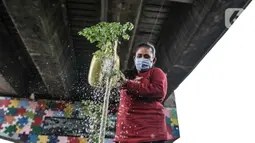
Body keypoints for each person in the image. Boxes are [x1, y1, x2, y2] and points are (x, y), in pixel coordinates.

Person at [113, 42, 171, 143]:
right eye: (139, 56)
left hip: (150, 134)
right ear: (134, 58)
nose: (142, 59)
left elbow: (158, 91)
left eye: (146, 56)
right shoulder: (126, 76)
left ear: (153, 60)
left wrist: (129, 84)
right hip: (125, 134)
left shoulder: (156, 72)